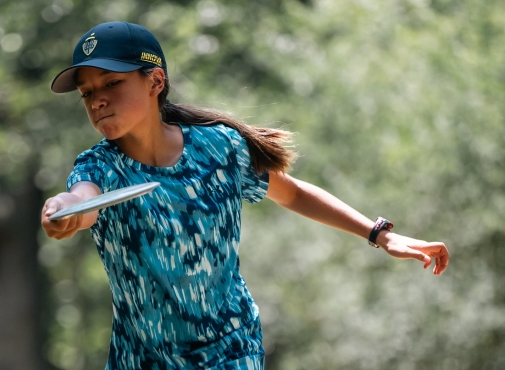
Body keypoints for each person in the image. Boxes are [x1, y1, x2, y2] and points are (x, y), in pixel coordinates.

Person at [41, 21, 449, 369]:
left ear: (156, 81)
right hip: (142, 359)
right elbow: (82, 200)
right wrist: (65, 210)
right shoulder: (98, 167)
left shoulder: (219, 147)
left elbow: (292, 194)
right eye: (87, 93)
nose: (97, 100)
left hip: (231, 352)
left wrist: (381, 234)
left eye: (112, 82)